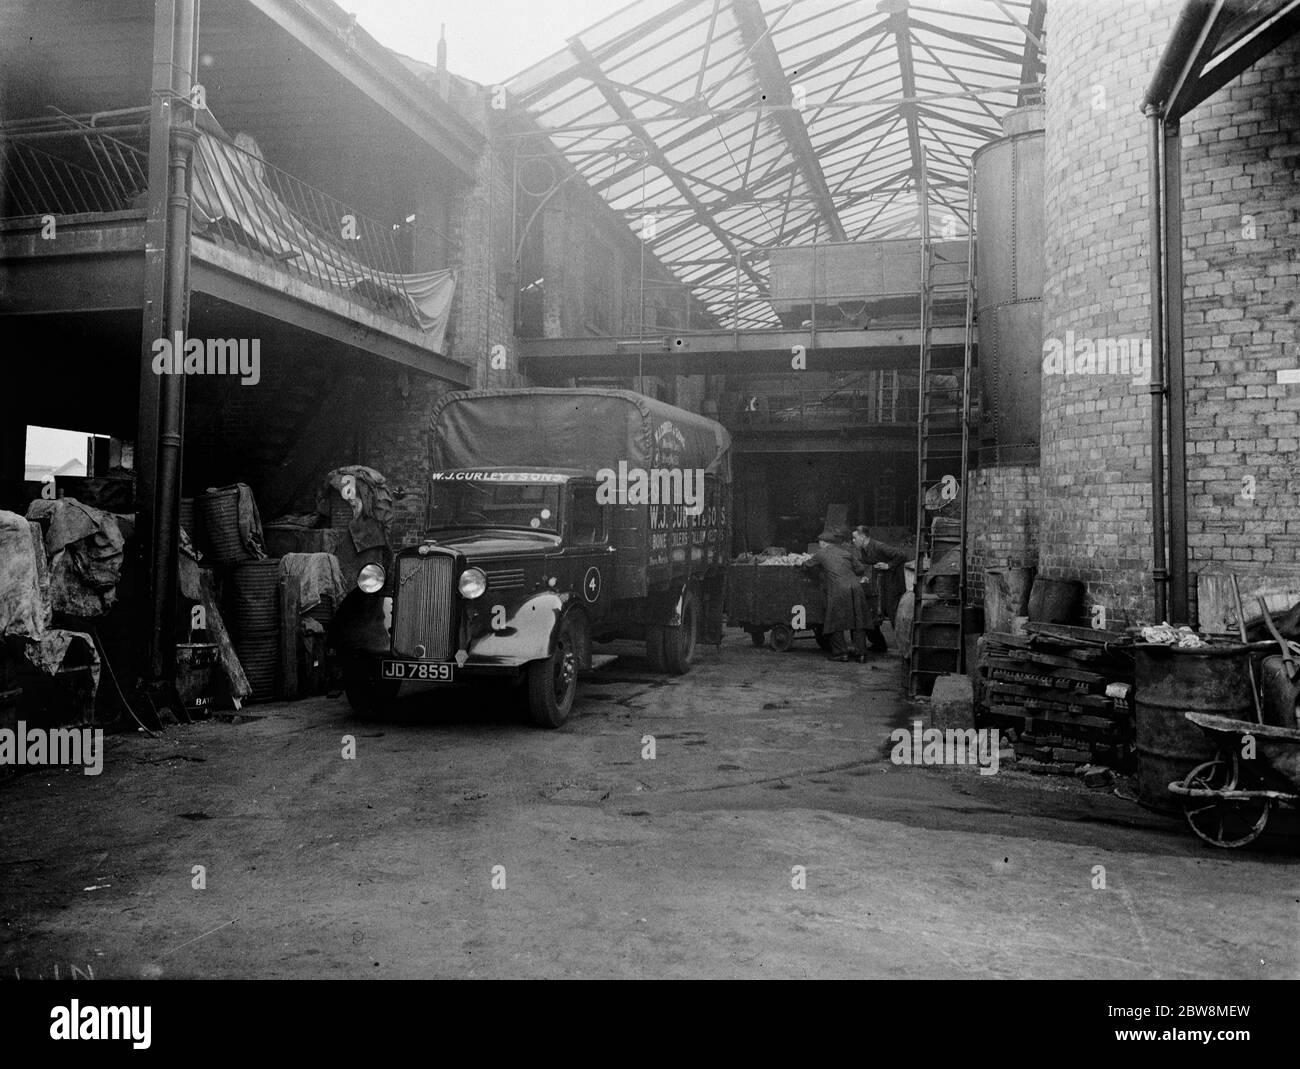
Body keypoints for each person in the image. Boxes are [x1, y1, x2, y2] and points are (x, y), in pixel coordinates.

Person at [802, 524, 870, 662]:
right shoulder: (845, 553)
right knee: (858, 622)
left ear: (822, 542)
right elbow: (861, 569)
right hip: (856, 588)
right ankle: (861, 654)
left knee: (835, 622)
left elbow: (806, 565)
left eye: (819, 542)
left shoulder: (821, 553)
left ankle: (841, 654)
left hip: (838, 590)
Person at [851, 526, 910, 653]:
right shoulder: (864, 549)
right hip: (879, 586)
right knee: (871, 614)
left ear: (862, 537)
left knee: (894, 617)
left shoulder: (879, 546)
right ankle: (879, 645)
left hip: (892, 587)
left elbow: (902, 555)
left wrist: (888, 565)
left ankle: (906, 650)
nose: (853, 541)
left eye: (855, 538)